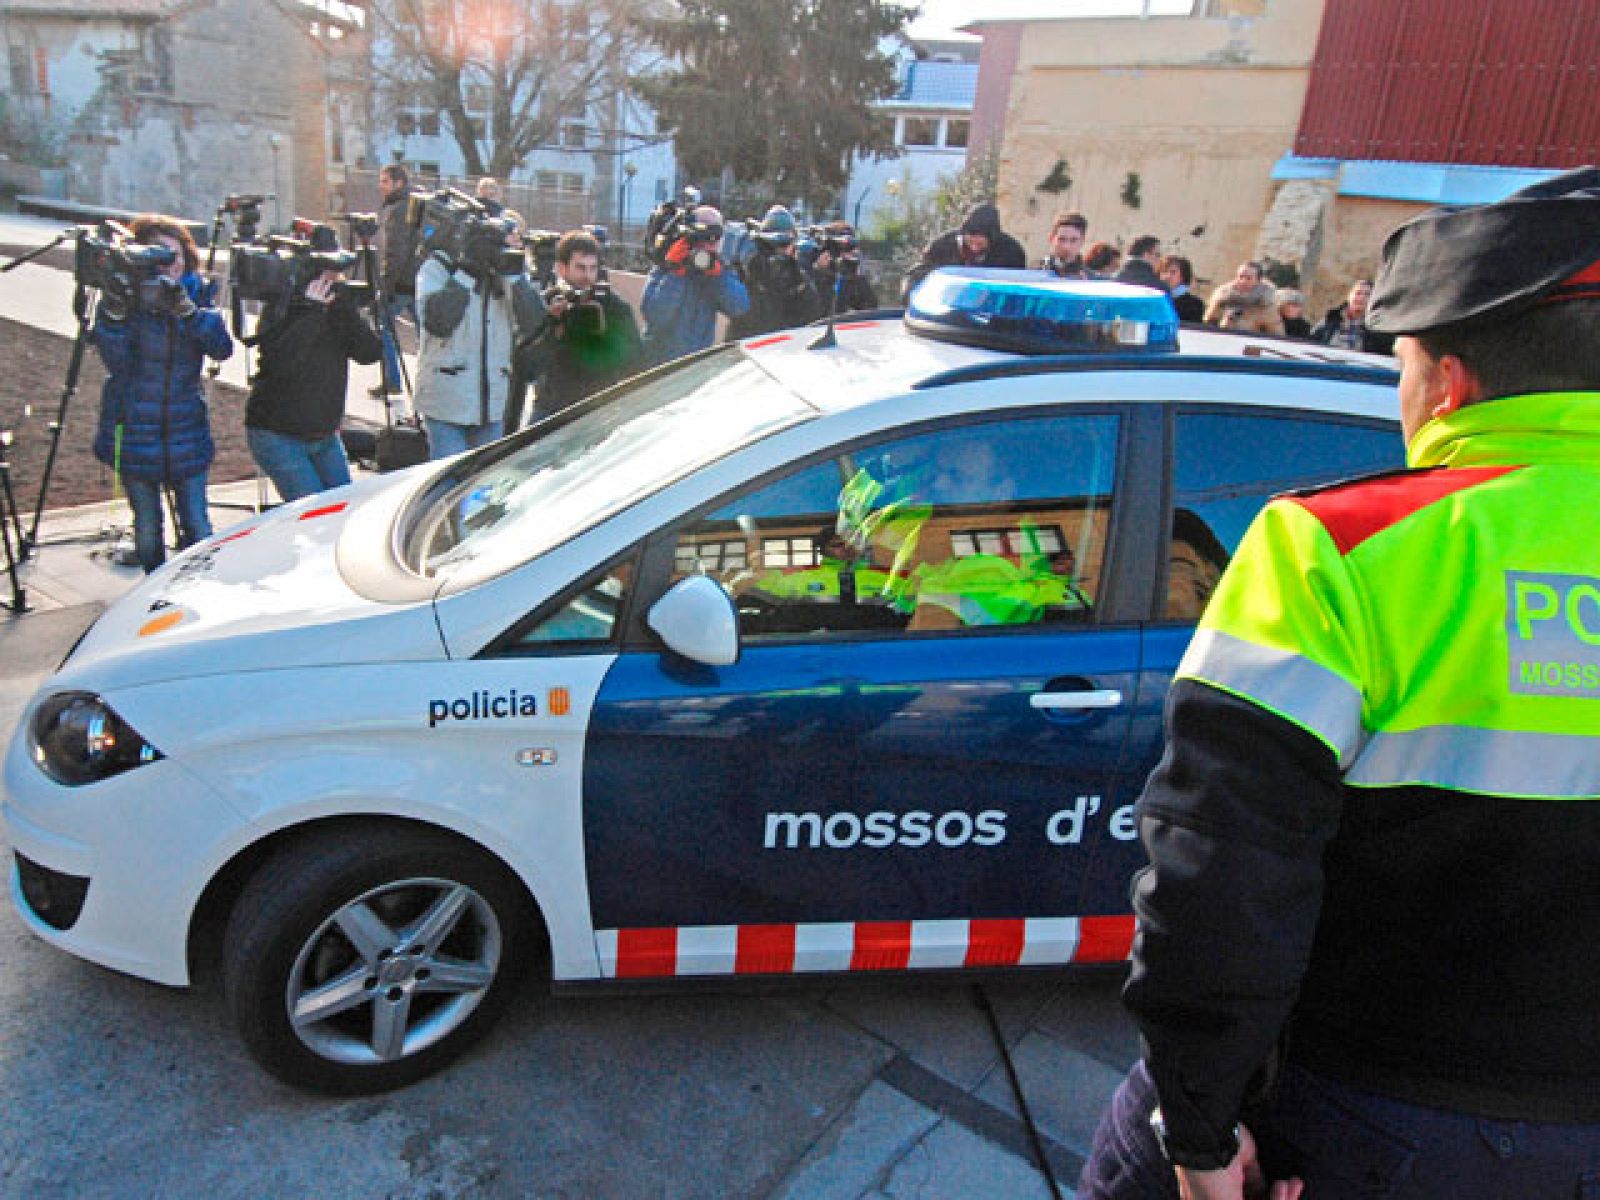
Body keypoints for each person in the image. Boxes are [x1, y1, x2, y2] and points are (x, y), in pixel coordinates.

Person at [1079, 166, 1600, 1200]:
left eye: (1400, 365)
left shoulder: (1336, 546)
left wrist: (1198, 1132)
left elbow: (1220, 878)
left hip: (1359, 1113)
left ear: (1447, 383)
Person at [90, 214, 233, 573]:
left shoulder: (197, 293)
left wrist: (188, 312)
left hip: (185, 428)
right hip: (136, 427)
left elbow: (221, 348)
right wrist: (116, 314)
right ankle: (153, 589)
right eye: (160, 255)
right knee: (148, 528)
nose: (171, 264)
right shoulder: (128, 297)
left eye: (177, 254)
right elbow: (117, 363)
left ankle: (201, 586)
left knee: (198, 525)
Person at [245, 237, 383, 502]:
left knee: (344, 507)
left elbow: (369, 354)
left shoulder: (337, 310)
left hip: (325, 435)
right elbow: (281, 364)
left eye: (336, 274)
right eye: (326, 273)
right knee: (315, 514)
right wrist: (311, 312)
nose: (333, 280)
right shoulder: (283, 307)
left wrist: (345, 311)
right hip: (279, 435)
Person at [413, 212, 544, 458]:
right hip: (445, 404)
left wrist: (515, 276)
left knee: (482, 481)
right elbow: (438, 322)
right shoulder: (438, 267)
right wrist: (467, 271)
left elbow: (534, 323)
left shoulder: (510, 273)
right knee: (451, 478)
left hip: (492, 406)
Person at [520, 229, 644, 423]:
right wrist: (553, 326)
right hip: (552, 408)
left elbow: (635, 363)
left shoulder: (613, 307)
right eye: (580, 268)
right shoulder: (547, 304)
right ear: (561, 268)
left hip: (597, 409)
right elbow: (528, 367)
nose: (587, 276)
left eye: (592, 268)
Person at [641, 204, 749, 363]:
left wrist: (718, 276)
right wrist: (675, 273)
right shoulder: (666, 266)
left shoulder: (718, 270)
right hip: (659, 364)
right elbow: (654, 316)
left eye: (715, 239)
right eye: (704, 237)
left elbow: (739, 306)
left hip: (696, 364)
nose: (709, 244)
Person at [727, 205, 821, 338]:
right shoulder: (750, 272)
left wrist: (799, 282)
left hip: (787, 344)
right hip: (754, 342)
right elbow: (738, 316)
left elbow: (812, 317)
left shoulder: (798, 277)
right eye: (771, 245)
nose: (779, 251)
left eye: (785, 244)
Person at [901, 201, 1028, 297]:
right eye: (971, 235)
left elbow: (1017, 288)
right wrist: (910, 294)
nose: (974, 243)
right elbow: (918, 273)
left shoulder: (1011, 252)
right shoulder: (942, 246)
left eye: (981, 237)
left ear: (992, 238)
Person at [372, 162, 419, 399]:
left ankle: (392, 379)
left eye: (385, 181)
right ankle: (427, 384)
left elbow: (395, 252)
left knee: (384, 327)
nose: (381, 186)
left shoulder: (398, 210)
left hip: (400, 284)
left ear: (399, 183)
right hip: (420, 281)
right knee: (428, 337)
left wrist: (386, 286)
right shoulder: (417, 204)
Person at [807, 220, 879, 315]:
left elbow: (871, 308)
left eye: (850, 247)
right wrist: (820, 271)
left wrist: (857, 277)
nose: (847, 253)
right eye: (841, 247)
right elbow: (819, 310)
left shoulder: (852, 274)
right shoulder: (811, 276)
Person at [1311, 278, 1394, 354]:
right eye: (1358, 293)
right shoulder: (1331, 319)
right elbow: (1311, 343)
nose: (1361, 298)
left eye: (1367, 294)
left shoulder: (1377, 327)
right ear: (1349, 296)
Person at [1203, 261, 1284, 335]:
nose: (1243, 281)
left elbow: (1277, 335)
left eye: (1249, 278)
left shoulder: (1266, 305)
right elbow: (1207, 324)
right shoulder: (1223, 298)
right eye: (1240, 276)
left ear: (1258, 281)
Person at [1043, 211, 1092, 279]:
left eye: (1074, 240)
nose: (1067, 247)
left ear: (1082, 240)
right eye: (1061, 239)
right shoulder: (1033, 272)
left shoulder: (1092, 280)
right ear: (1051, 238)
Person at [1159, 255, 1205, 322]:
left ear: (1183, 276)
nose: (1167, 276)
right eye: (1164, 271)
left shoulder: (1194, 305)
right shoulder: (1153, 299)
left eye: (1173, 272)